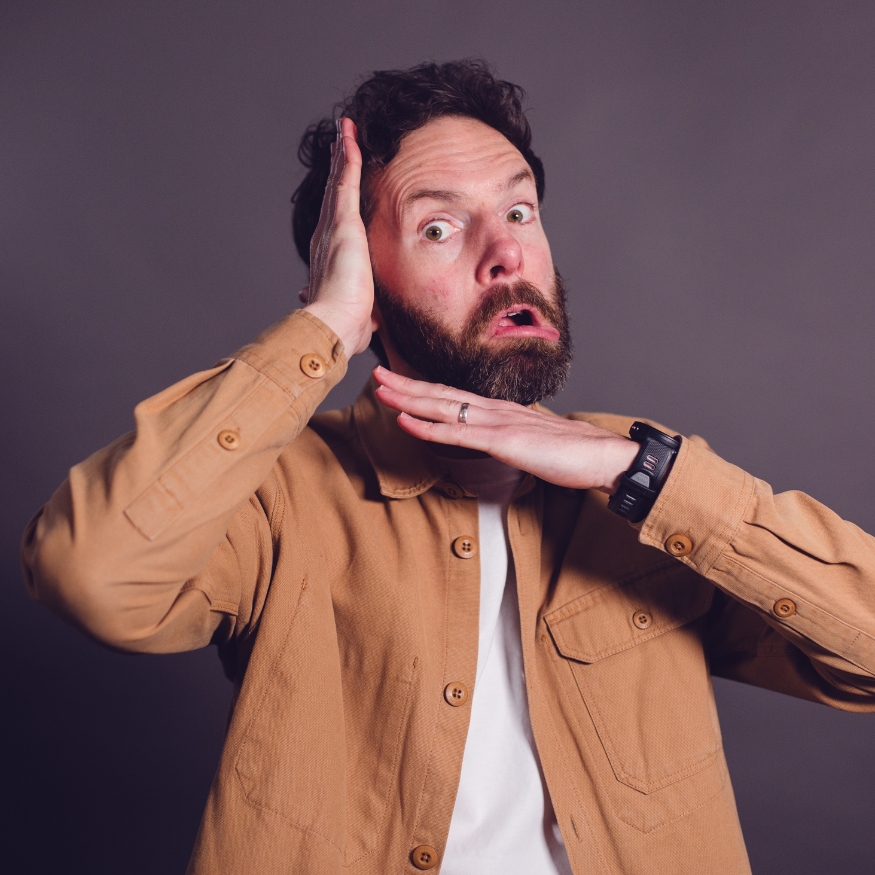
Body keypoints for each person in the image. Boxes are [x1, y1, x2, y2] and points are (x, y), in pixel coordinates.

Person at [21, 60, 875, 875]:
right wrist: (324, 327)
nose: (505, 254)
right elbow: (89, 573)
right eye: (438, 227)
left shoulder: (645, 488)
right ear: (364, 280)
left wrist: (639, 473)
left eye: (519, 211)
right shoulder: (281, 493)